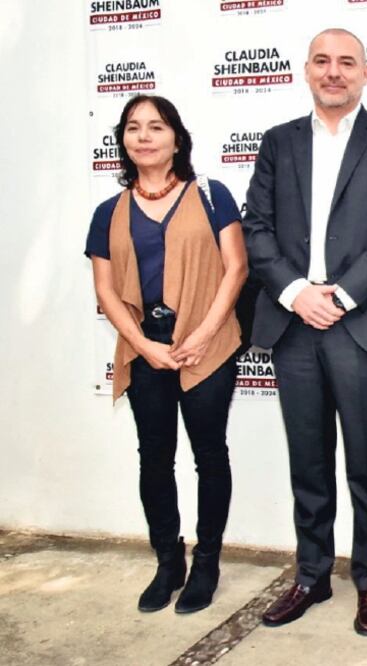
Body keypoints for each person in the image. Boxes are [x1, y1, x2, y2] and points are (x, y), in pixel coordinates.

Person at [243, 28, 367, 635]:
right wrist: (297, 293)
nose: (334, 71)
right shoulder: (277, 143)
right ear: (306, 70)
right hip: (293, 325)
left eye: (347, 62)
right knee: (309, 462)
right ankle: (312, 575)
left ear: (366, 73)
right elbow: (257, 229)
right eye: (323, 61)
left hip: (361, 324)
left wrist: (340, 296)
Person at [85, 95, 247, 614]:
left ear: (177, 138)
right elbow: (107, 291)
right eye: (134, 128)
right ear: (123, 141)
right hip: (145, 351)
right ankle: (167, 561)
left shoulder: (212, 195)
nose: (145, 136)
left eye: (157, 126)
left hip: (210, 346)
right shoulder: (108, 212)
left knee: (209, 456)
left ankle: (207, 563)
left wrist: (200, 336)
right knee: (154, 457)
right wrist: (144, 345)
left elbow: (237, 269)